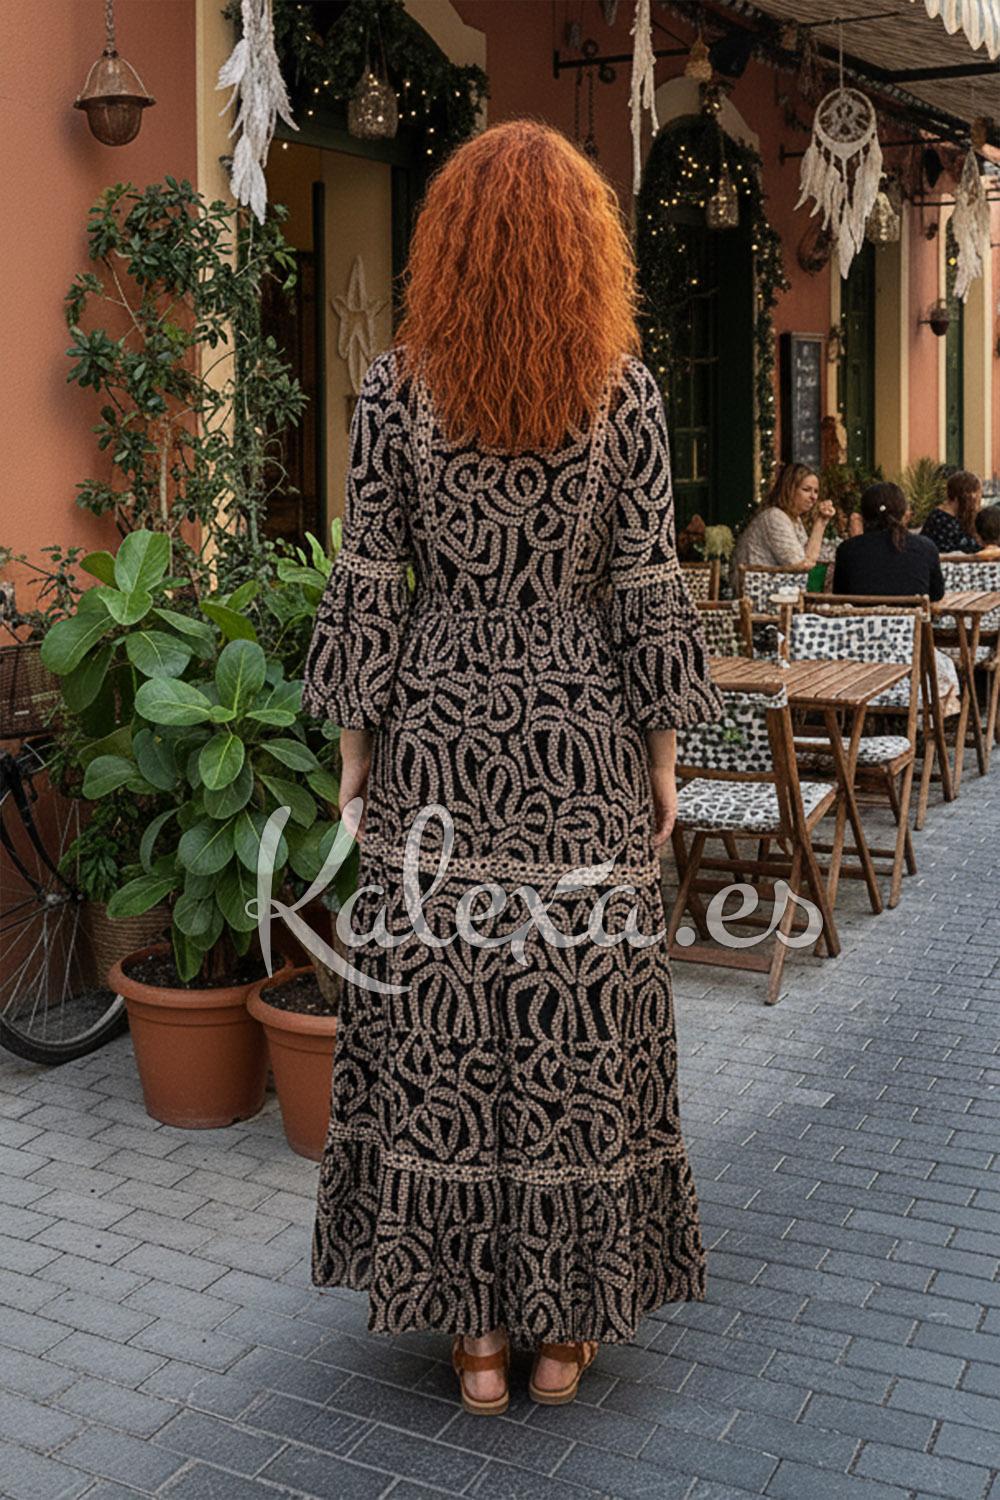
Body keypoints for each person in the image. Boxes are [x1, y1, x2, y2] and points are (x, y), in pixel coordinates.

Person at [301, 120, 724, 1417]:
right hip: (582, 739)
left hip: (435, 733)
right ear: (585, 252)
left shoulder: (396, 389)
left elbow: (370, 572)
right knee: (574, 1022)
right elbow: (647, 585)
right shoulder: (624, 392)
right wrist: (663, 758)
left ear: (451, 246)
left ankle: (474, 1339)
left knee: (441, 1020)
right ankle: (560, 1334)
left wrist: (355, 750)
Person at [729, 462, 837, 590]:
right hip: (759, 593)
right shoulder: (774, 517)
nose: (813, 497)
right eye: (806, 490)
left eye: (816, 491)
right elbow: (801, 565)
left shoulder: (794, 519)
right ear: (789, 490)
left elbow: (808, 559)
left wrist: (821, 521)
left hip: (778, 591)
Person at [833, 482, 944, 600]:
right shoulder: (925, 547)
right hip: (911, 612)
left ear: (864, 514)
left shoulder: (847, 550)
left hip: (862, 612)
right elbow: (936, 594)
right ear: (903, 512)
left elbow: (840, 595)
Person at [921, 470, 1000, 559]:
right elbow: (970, 551)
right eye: (977, 493)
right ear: (966, 494)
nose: (979, 498)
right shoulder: (942, 522)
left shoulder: (958, 517)